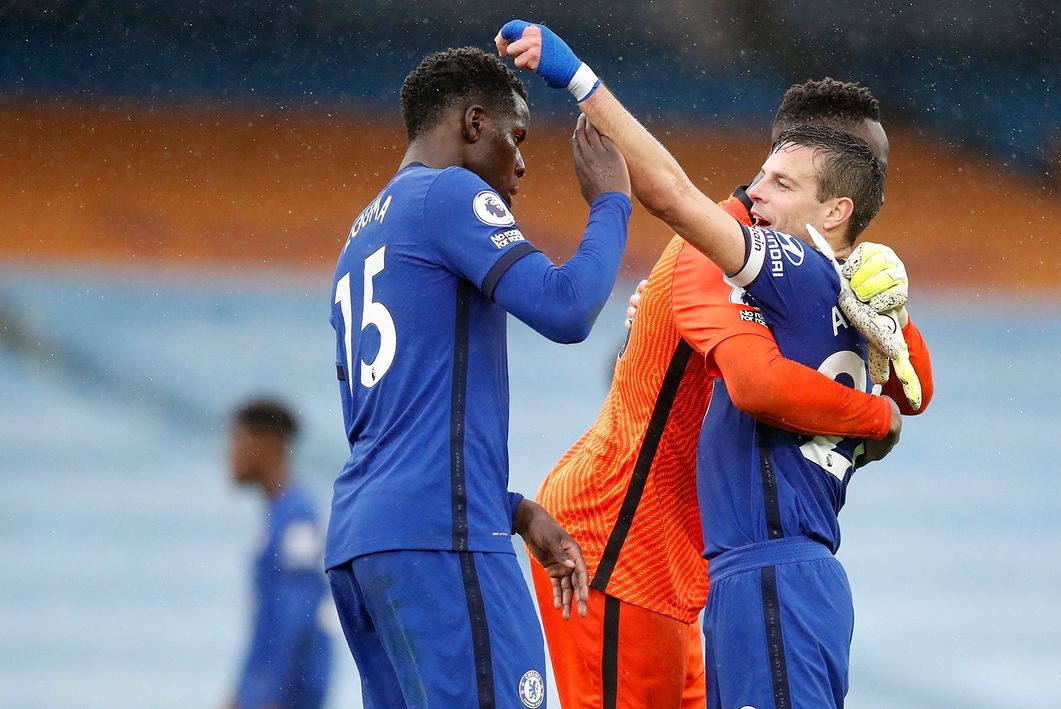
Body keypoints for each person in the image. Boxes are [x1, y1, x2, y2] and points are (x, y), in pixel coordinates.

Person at [499, 21, 933, 707]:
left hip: (691, 566)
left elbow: (913, 385)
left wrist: (886, 314)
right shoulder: (720, 253)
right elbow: (759, 383)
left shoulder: (821, 271)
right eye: (865, 164)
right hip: (618, 539)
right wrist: (876, 419)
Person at [323, 47, 632, 708]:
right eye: (515, 137)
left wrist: (510, 508)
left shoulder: (362, 235)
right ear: (473, 122)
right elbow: (567, 307)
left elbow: (399, 422)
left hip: (365, 542)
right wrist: (611, 202)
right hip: (441, 537)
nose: (521, 163)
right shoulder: (448, 193)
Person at [227, 399, 331, 709]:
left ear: (269, 443)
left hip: (286, 692)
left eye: (237, 441)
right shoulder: (278, 515)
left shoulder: (297, 515)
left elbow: (297, 610)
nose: (230, 455)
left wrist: (268, 694)